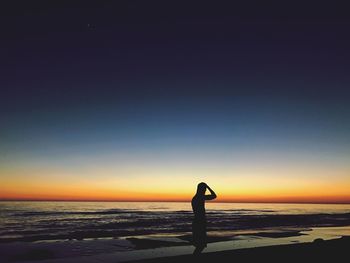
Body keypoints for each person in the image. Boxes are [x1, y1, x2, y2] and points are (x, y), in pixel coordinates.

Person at [191, 182, 217, 255]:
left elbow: (214, 196)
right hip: (199, 222)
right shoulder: (200, 197)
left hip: (198, 221)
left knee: (200, 245)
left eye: (205, 189)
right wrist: (208, 187)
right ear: (201, 189)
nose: (205, 190)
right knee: (200, 245)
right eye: (204, 189)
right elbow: (214, 196)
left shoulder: (197, 197)